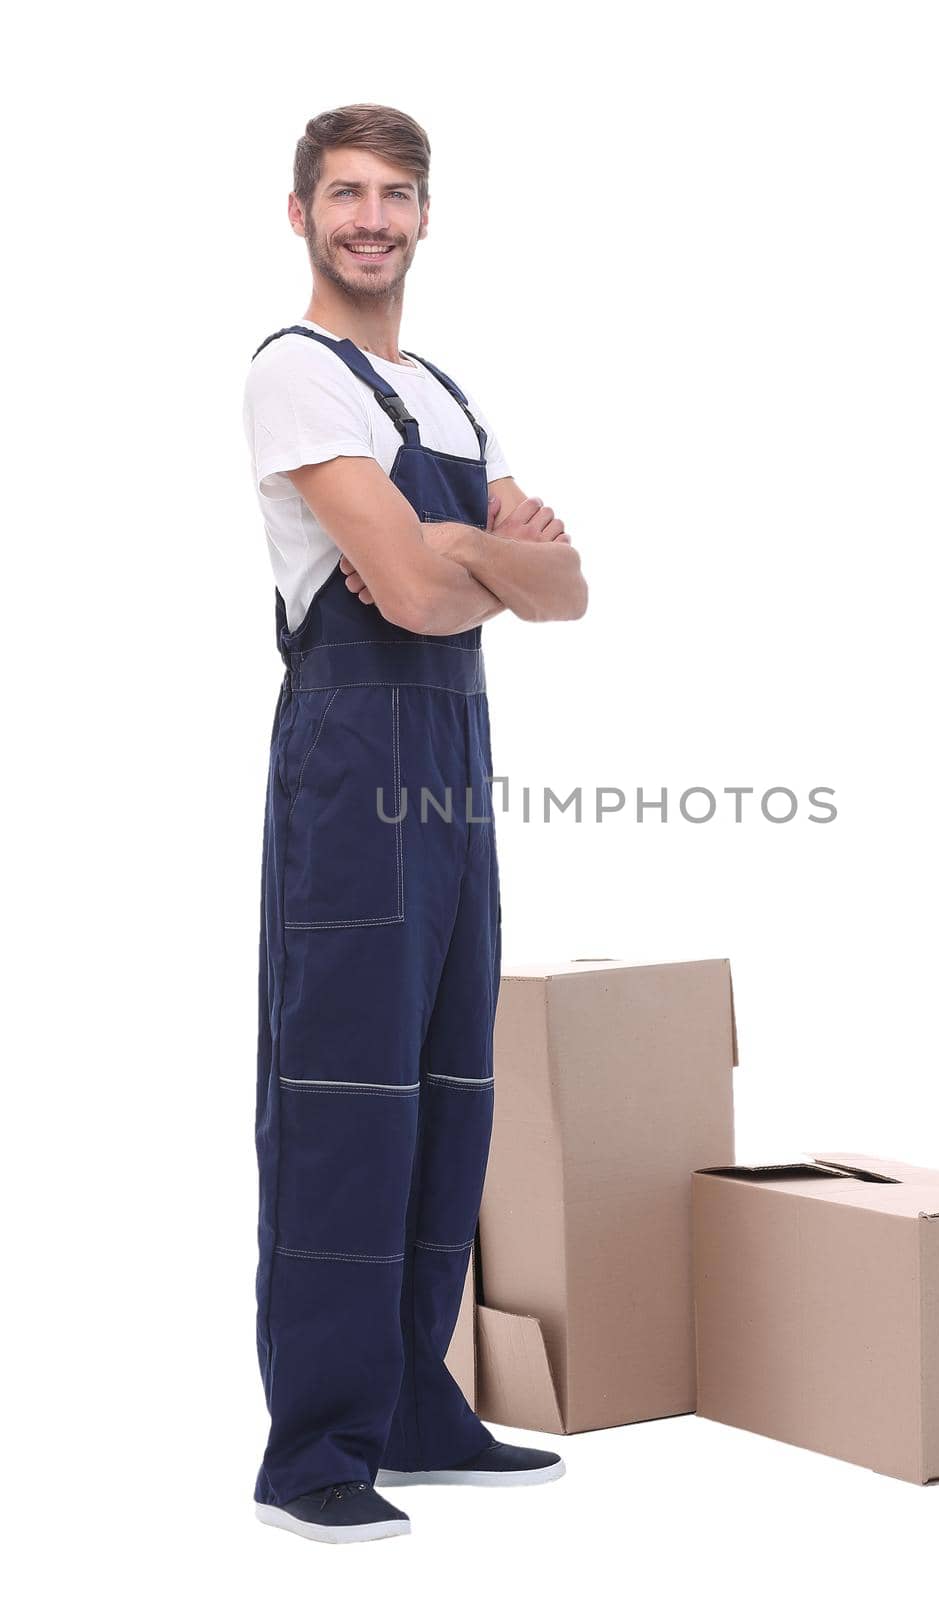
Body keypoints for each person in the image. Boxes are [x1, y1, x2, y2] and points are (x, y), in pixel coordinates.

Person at [243, 103, 588, 1544]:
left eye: (394, 194)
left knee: (450, 1085)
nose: (370, 217)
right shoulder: (293, 376)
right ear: (302, 214)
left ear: (427, 214)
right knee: (343, 1099)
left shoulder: (446, 396)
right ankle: (316, 1447)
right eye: (344, 194)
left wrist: (457, 550)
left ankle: (418, 1403)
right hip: (350, 757)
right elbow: (422, 593)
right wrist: (470, 552)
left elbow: (567, 594)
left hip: (453, 765)